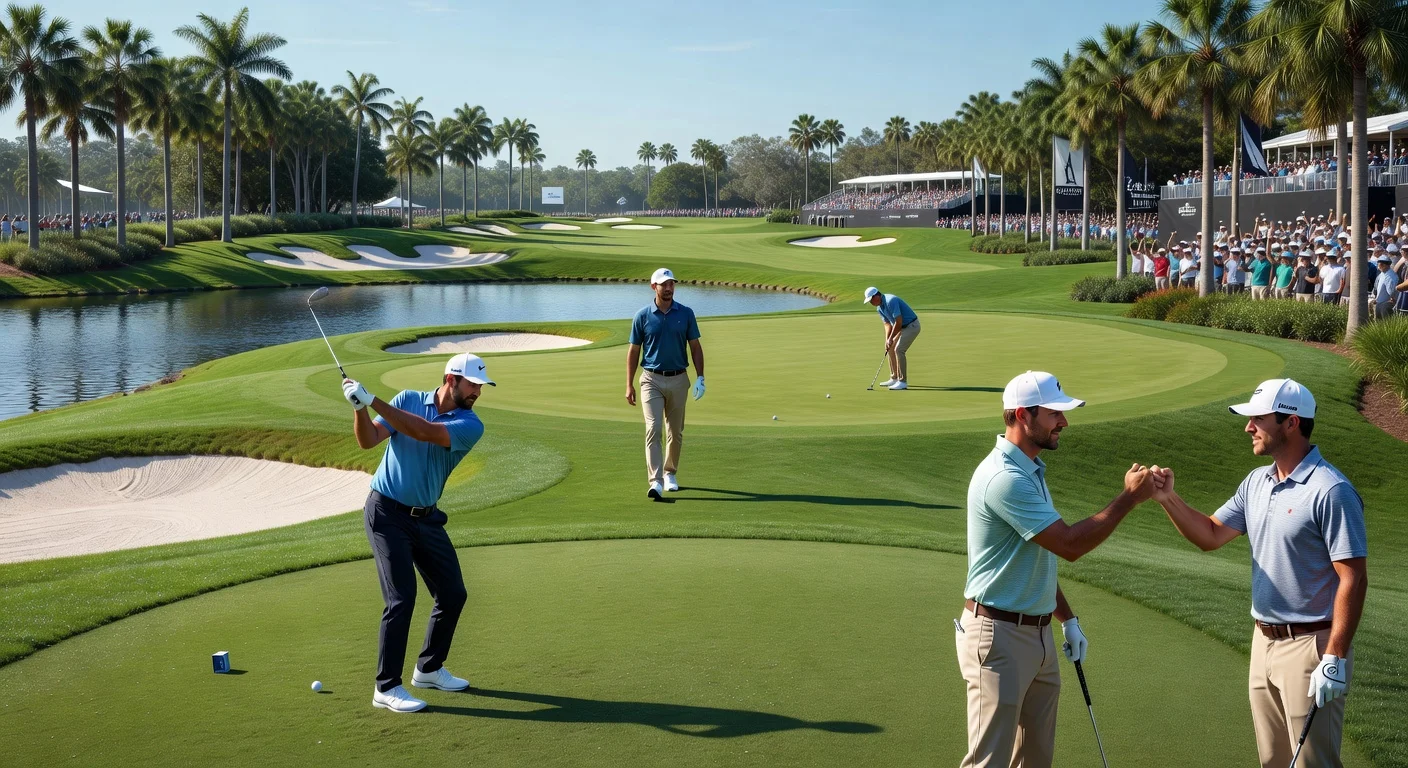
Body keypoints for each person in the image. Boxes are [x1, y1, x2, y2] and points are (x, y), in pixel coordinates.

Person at [1147, 379, 1366, 768]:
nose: (1249, 427)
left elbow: (1353, 577)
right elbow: (1211, 535)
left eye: (1258, 419)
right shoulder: (1257, 482)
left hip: (1311, 647)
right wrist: (1168, 499)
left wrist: (1334, 656)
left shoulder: (1331, 491)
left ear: (1291, 423)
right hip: (1263, 641)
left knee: (1314, 763)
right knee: (1272, 760)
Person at [957, 371, 1153, 768]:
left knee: (1035, 760)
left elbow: (1037, 557)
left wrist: (1067, 618)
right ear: (1021, 415)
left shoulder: (1030, 470)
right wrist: (1129, 498)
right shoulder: (1005, 478)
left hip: (1038, 635)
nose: (1064, 422)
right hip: (999, 637)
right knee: (989, 762)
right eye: (1054, 414)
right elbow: (1068, 545)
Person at [341, 353, 493, 713]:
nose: (477, 392)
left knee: (453, 593)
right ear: (450, 379)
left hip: (425, 518)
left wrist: (373, 399)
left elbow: (423, 431)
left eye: (480, 386)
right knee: (402, 597)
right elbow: (369, 440)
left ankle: (428, 668)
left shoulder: (470, 424)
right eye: (472, 384)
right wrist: (359, 408)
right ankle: (386, 687)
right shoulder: (408, 398)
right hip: (386, 512)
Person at [626, 267, 705, 499]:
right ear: (654, 287)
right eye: (664, 284)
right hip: (651, 379)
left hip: (679, 378)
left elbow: (696, 347)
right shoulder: (642, 316)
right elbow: (633, 351)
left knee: (675, 432)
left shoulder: (686, 313)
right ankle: (656, 481)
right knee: (654, 428)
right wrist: (629, 384)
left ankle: (670, 473)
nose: (669, 288)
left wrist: (700, 377)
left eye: (672, 284)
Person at [864, 286, 921, 391]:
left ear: (877, 295)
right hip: (900, 327)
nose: (871, 302)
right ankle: (894, 378)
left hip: (911, 325)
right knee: (889, 348)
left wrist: (891, 338)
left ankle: (902, 382)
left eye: (871, 300)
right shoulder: (879, 307)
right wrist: (887, 340)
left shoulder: (891, 301)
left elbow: (898, 321)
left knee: (899, 350)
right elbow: (887, 324)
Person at [1372, 254, 1398, 319]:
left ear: (1384, 265)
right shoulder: (1382, 274)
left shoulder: (1390, 276)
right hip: (1379, 303)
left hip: (1385, 305)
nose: (1378, 267)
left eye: (1379, 265)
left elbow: (1391, 292)